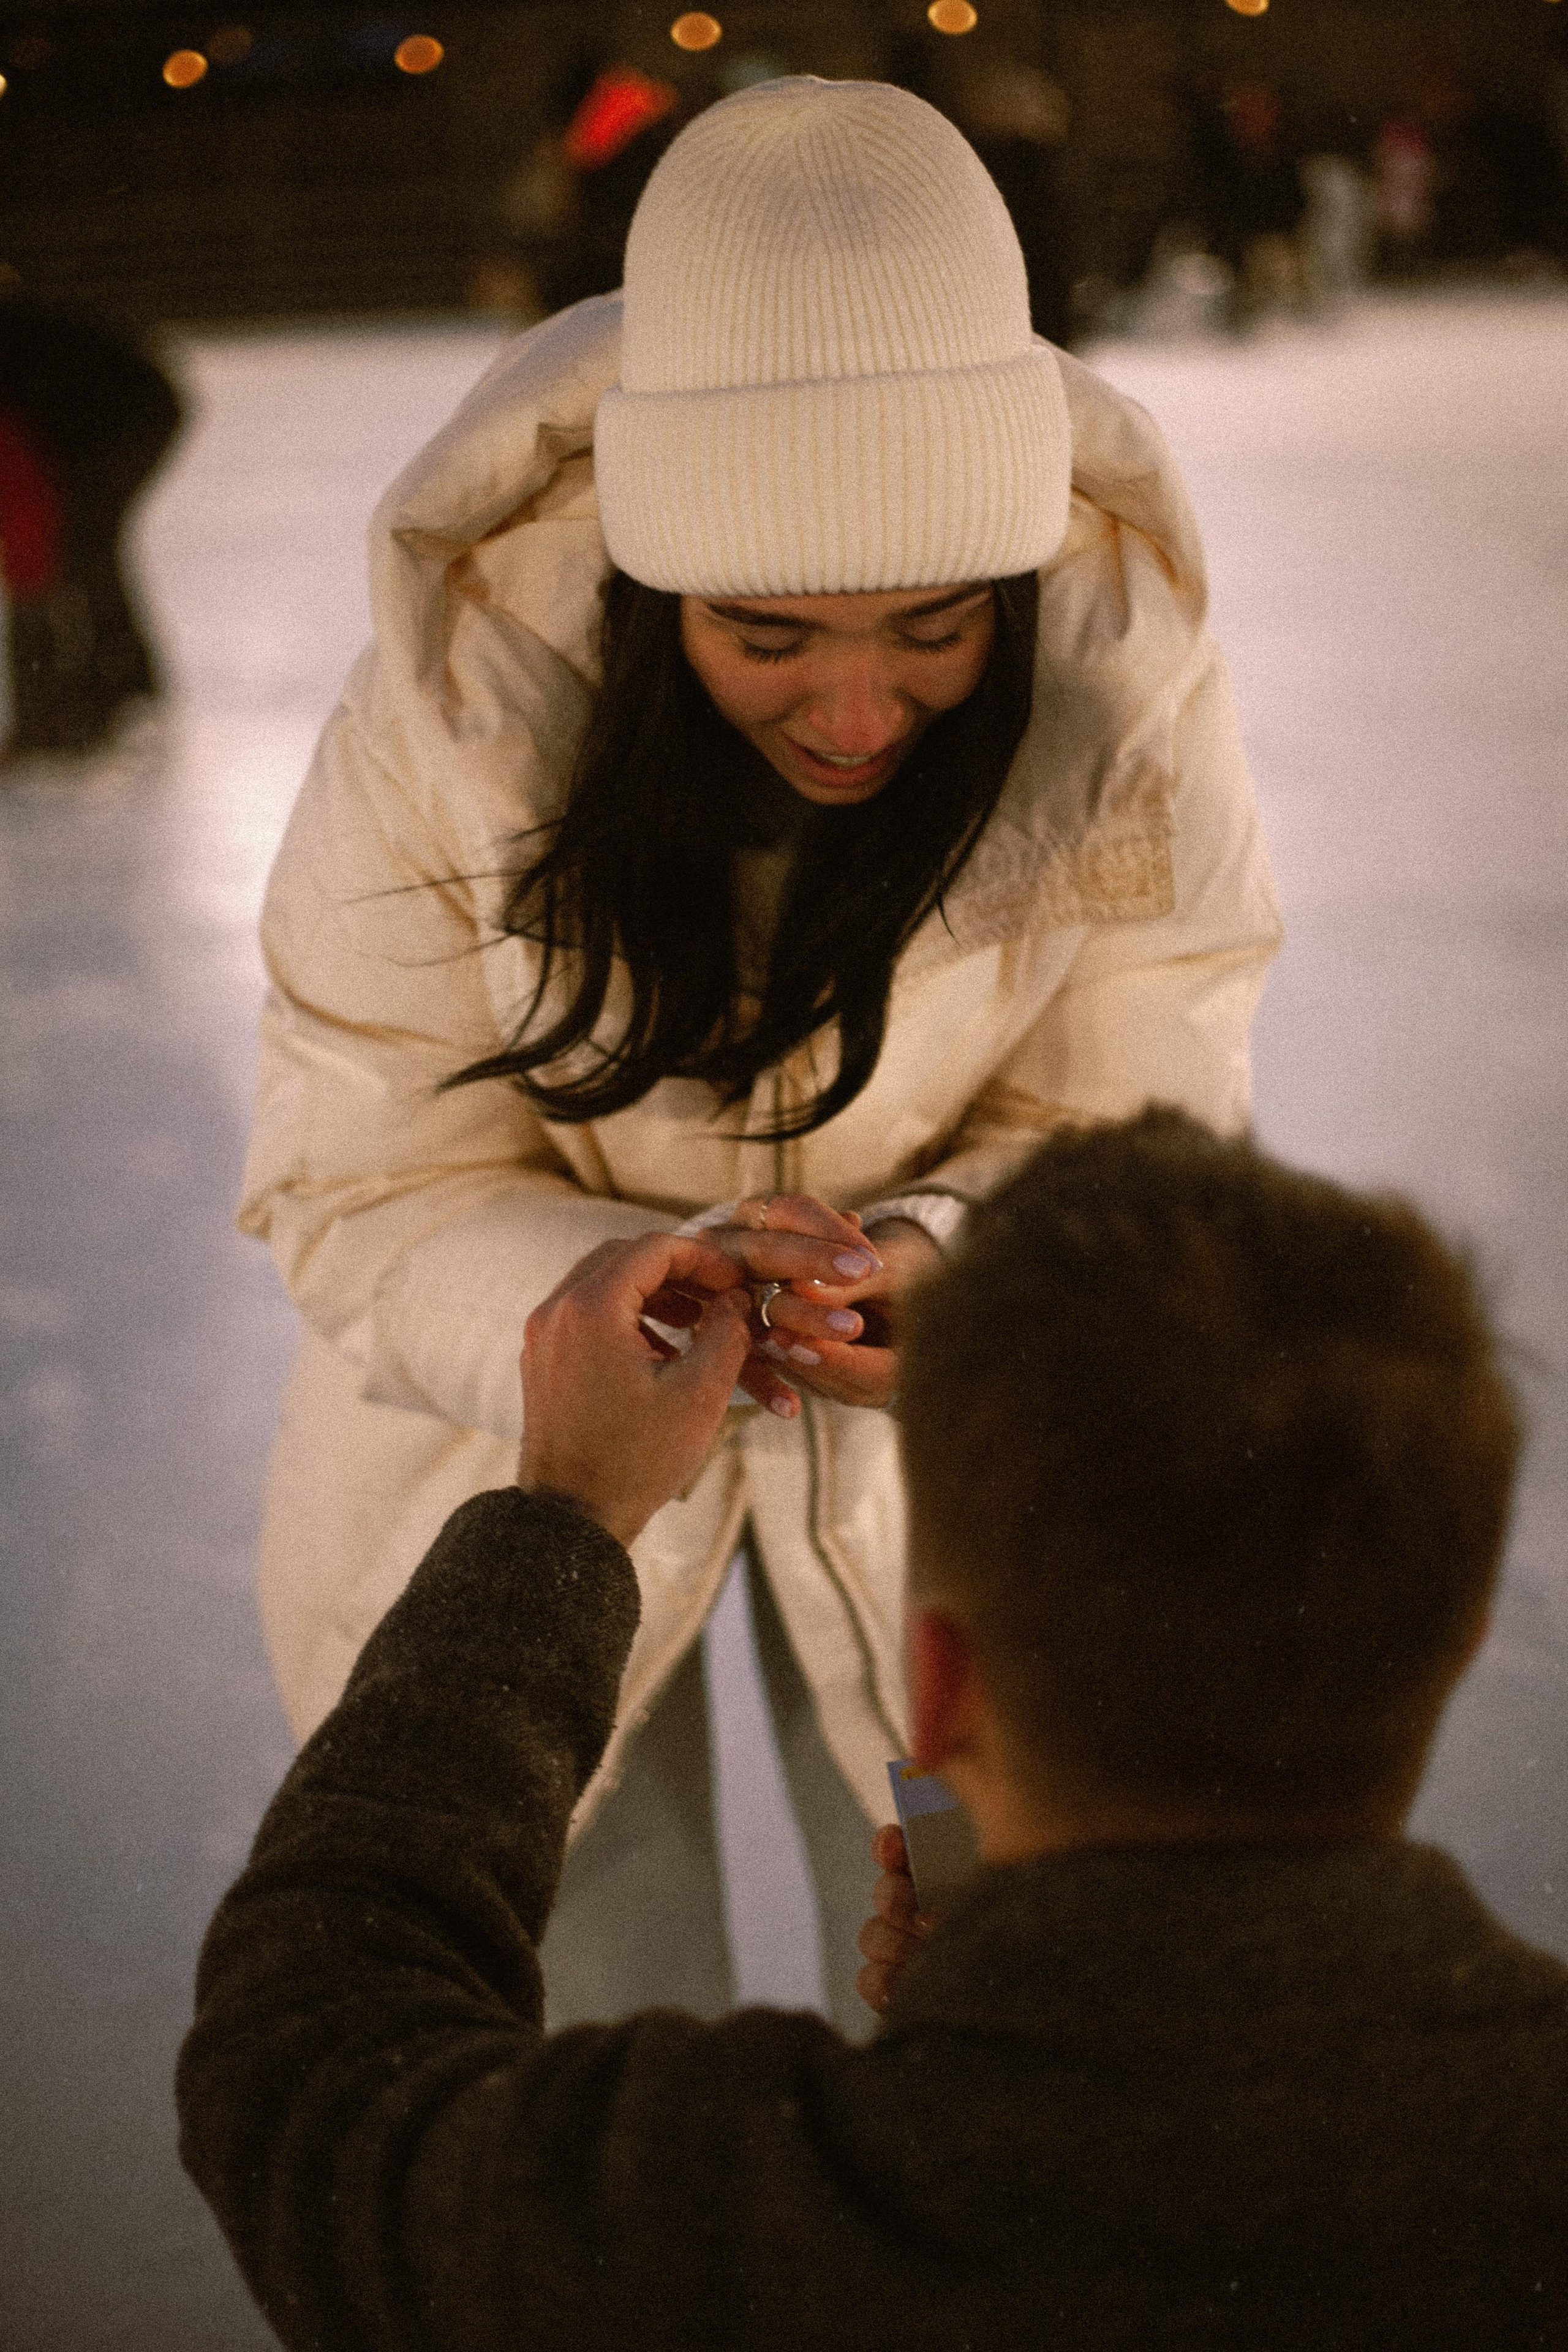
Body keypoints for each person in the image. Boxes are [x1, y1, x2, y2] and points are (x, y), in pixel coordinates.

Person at [239, 75, 1281, 2030]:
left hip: (940, 1507)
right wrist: (565, 1315)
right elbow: (354, 1167)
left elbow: (1146, 1117)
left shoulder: (1122, 691)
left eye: (934, 623)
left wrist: (959, 1267)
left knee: (958, 1992)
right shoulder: (457, 710)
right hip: (507, 1482)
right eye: (768, 630)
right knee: (589, 2037)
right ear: (652, 588)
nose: (858, 706)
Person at [179, 1107, 1568, 2349]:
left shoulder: (712, 2234)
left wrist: (561, 1521)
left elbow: (304, 2070)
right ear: (1453, 1648)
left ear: (939, 1683)